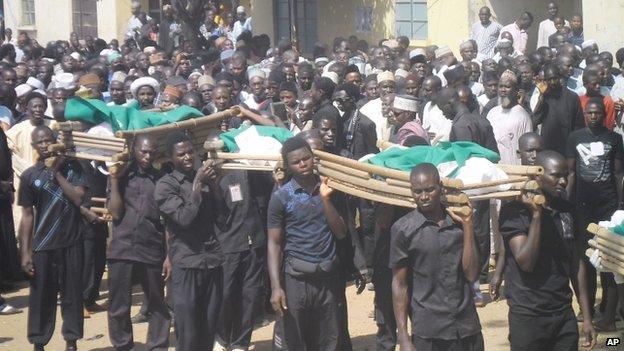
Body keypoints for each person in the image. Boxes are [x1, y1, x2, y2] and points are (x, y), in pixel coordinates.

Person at [499, 150, 597, 350]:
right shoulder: (514, 213)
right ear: (537, 176)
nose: (563, 181)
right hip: (528, 316)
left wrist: (587, 317)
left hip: (562, 313)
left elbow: (575, 264)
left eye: (566, 175)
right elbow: (526, 262)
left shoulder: (568, 211)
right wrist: (536, 216)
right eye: (556, 175)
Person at [391, 163, 483, 351]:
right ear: (411, 191)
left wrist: (467, 226)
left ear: (440, 187)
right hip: (429, 331)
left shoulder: (460, 223)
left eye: (430, 190)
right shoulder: (403, 229)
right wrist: (403, 337)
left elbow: (471, 274)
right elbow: (400, 285)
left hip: (466, 326)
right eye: (417, 192)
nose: (424, 197)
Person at [267, 136, 347, 351]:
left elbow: (340, 232)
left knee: (329, 338)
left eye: (306, 158)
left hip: (327, 277)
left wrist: (325, 200)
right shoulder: (281, 197)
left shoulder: (329, 188)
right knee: (295, 338)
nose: (303, 164)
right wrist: (276, 287)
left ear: (313, 158)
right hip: (297, 280)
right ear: (288, 166)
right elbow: (274, 243)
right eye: (296, 162)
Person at [18, 126, 88, 351]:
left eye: (49, 140)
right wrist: (26, 253)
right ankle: (39, 342)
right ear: (33, 147)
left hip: (71, 242)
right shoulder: (30, 176)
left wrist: (56, 171)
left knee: (72, 295)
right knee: (40, 297)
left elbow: (78, 198)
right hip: (43, 245)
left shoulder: (73, 168)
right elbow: (27, 216)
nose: (46, 145)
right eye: (40, 142)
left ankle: (71, 340)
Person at [106, 135, 171, 351]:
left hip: (151, 248)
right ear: (134, 149)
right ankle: (123, 345)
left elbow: (168, 222)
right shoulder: (122, 176)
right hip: (122, 248)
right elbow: (115, 212)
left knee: (157, 304)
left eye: (152, 152)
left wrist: (168, 256)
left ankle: (158, 345)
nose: (147, 156)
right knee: (118, 305)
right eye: (143, 151)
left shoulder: (161, 179)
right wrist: (114, 179)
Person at [566, 98, 624, 331]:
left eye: (598, 113)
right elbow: (571, 172)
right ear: (584, 114)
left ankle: (609, 316)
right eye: (590, 113)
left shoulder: (615, 139)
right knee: (585, 259)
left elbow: (618, 174)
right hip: (582, 206)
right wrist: (568, 204)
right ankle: (587, 308)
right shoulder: (575, 138)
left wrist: (620, 205)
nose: (593, 117)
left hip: (608, 206)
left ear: (604, 114)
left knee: (608, 261)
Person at [211, 166, 268, 351]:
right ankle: (221, 337)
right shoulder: (215, 171)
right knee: (226, 293)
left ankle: (241, 342)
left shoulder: (252, 168)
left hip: (255, 241)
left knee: (250, 294)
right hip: (229, 243)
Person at [533, 64, 585, 155]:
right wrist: (542, 97)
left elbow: (579, 125)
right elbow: (534, 120)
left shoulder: (572, 97)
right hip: (547, 149)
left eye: (555, 78)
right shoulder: (544, 98)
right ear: (545, 80)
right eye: (549, 80)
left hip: (567, 148)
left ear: (560, 77)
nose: (552, 82)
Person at [486, 70, 533, 165]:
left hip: (515, 166)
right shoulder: (492, 112)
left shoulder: (522, 115)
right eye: (501, 86)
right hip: (495, 166)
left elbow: (528, 145)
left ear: (516, 90)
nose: (503, 90)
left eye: (507, 87)